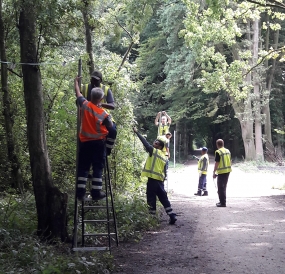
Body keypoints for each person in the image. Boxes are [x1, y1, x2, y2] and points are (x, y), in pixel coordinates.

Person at [74, 76, 113, 200]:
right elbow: (110, 126)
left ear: (90, 96)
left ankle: (80, 193)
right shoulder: (104, 114)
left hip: (84, 142)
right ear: (101, 99)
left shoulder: (84, 104)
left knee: (83, 167)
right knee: (97, 167)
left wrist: (76, 82)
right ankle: (96, 192)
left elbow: (78, 93)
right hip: (98, 143)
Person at [133, 127, 177, 225]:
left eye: (156, 143)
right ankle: (172, 215)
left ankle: (152, 219)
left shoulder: (154, 151)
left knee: (151, 198)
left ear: (160, 146)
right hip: (160, 181)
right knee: (163, 198)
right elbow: (165, 171)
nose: (154, 143)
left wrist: (137, 132)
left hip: (152, 180)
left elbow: (145, 143)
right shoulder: (164, 156)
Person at [82, 70, 116, 155]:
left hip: (102, 116)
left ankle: (107, 150)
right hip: (88, 116)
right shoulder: (85, 88)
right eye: (92, 79)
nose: (94, 81)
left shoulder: (106, 89)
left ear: (100, 80)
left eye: (96, 80)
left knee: (112, 130)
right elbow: (78, 101)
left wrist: (101, 104)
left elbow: (112, 105)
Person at [213, 139, 232, 207]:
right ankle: (222, 201)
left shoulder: (218, 152)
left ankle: (223, 203)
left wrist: (214, 172)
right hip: (228, 171)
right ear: (223, 144)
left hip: (221, 172)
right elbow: (230, 160)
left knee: (221, 187)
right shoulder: (227, 151)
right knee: (223, 187)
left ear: (217, 144)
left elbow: (217, 163)